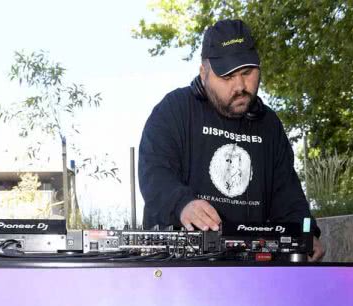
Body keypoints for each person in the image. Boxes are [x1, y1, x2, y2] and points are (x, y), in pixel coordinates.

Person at [139, 19, 325, 261]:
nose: (240, 86)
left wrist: (305, 233)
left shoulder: (268, 124)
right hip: (181, 268)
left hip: (250, 269)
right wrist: (182, 204)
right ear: (204, 74)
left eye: (247, 73)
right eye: (227, 76)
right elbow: (154, 173)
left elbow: (287, 195)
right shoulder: (174, 110)